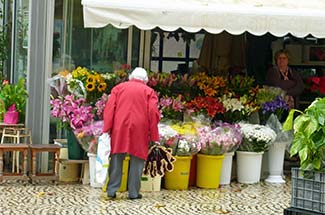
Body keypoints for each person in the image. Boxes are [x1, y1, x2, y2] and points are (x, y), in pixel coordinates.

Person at [103, 67, 160, 200]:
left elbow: (110, 109)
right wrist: (154, 134)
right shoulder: (149, 91)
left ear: (131, 76)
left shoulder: (118, 88)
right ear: (145, 80)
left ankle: (112, 190)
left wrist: (107, 128)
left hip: (120, 125)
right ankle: (133, 192)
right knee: (138, 158)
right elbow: (153, 112)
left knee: (117, 156)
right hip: (140, 127)